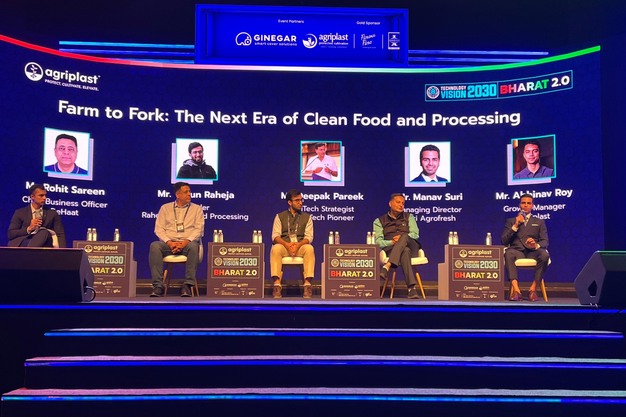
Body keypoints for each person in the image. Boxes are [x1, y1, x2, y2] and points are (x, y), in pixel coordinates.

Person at [149, 181, 204, 297]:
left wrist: (185, 242)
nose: (189, 194)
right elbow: (159, 229)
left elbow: (199, 230)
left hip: (187, 244)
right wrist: (169, 242)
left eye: (189, 191)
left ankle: (187, 285)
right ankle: (158, 286)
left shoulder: (197, 209)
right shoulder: (165, 208)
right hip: (169, 244)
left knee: (194, 246)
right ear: (177, 195)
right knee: (155, 246)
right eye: (186, 192)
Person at [501, 193, 550, 301]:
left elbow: (545, 241)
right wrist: (515, 226)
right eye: (523, 203)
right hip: (517, 251)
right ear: (520, 205)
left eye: (529, 203)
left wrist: (535, 245)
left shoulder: (539, 222)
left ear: (532, 206)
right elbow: (504, 241)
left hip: (532, 251)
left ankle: (533, 290)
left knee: (544, 255)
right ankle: (516, 291)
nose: (526, 205)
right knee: (508, 253)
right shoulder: (511, 221)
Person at [373, 193, 422, 299]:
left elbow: (415, 234)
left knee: (404, 236)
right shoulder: (379, 221)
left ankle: (387, 266)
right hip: (392, 249)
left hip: (412, 246)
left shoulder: (409, 217)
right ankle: (411, 289)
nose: (401, 205)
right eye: (398, 202)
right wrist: (391, 242)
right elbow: (378, 242)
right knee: (405, 251)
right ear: (390, 204)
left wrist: (401, 238)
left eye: (403, 203)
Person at [270, 189, 315, 298]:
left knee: (309, 248)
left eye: (301, 200)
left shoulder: (307, 217)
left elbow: (309, 237)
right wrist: (287, 245)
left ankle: (307, 285)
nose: (301, 203)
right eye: (297, 200)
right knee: (276, 248)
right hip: (285, 246)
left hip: (300, 247)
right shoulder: (280, 216)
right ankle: (277, 285)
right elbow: (275, 236)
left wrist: (298, 245)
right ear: (290, 202)